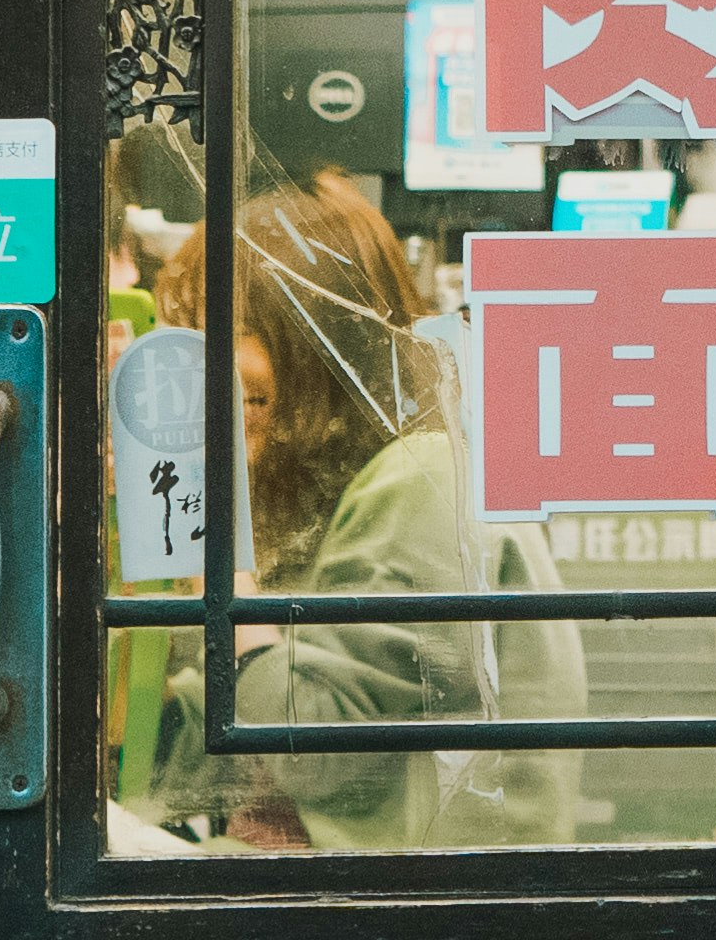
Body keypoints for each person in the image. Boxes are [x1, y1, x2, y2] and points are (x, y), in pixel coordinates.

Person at [130, 176, 581, 851]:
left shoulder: (423, 479)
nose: (204, 371)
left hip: (429, 920)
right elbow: (208, 736)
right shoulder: (348, 495)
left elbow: (313, 744)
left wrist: (204, 533)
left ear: (323, 344)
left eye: (238, 331)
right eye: (189, 339)